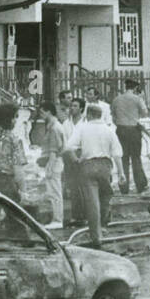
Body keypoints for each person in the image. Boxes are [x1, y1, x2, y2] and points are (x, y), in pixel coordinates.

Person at [65, 103, 125, 247]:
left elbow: (68, 147)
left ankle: (96, 237)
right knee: (105, 196)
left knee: (92, 202)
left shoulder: (82, 128)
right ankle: (103, 224)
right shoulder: (109, 130)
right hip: (105, 166)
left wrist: (76, 160)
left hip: (87, 166)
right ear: (100, 115)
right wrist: (121, 173)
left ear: (89, 115)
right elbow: (117, 154)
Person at [30, 102, 66, 227]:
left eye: (42, 112)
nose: (41, 115)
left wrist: (49, 168)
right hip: (52, 162)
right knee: (52, 191)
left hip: (54, 162)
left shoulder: (55, 128)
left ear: (49, 112)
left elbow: (54, 150)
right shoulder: (52, 126)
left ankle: (58, 219)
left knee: (55, 192)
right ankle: (56, 218)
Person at [111, 77, 149, 195]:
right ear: (136, 88)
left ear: (125, 87)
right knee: (136, 158)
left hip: (121, 130)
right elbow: (145, 113)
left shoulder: (116, 99)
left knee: (123, 159)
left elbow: (113, 116)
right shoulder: (137, 99)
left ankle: (124, 187)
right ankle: (140, 186)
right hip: (133, 130)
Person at [62, 97, 86, 226]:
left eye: (75, 106)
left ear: (81, 108)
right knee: (73, 186)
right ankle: (77, 216)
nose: (72, 108)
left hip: (82, 154)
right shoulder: (66, 123)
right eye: (71, 106)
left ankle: (86, 214)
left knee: (84, 185)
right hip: (68, 155)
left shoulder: (86, 123)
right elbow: (64, 141)